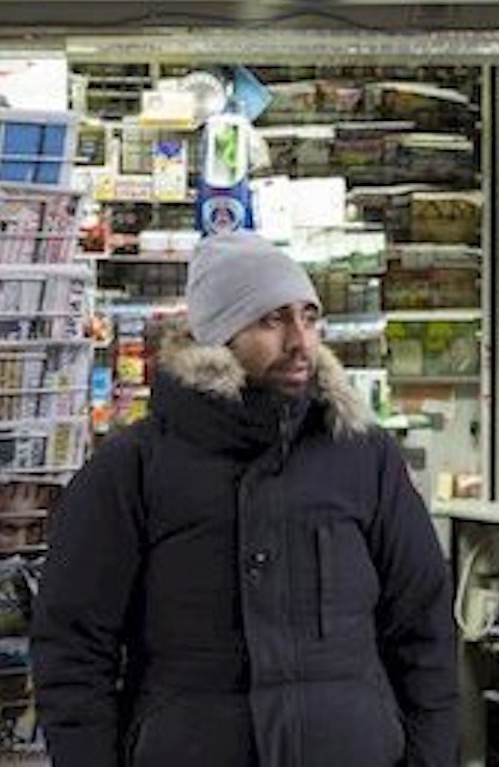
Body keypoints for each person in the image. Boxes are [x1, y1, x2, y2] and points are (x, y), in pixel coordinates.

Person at [33, 231, 458, 767]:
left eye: (308, 316)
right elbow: (73, 650)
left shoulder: (364, 458)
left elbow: (424, 627)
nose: (300, 341)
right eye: (271, 320)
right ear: (218, 336)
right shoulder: (131, 470)